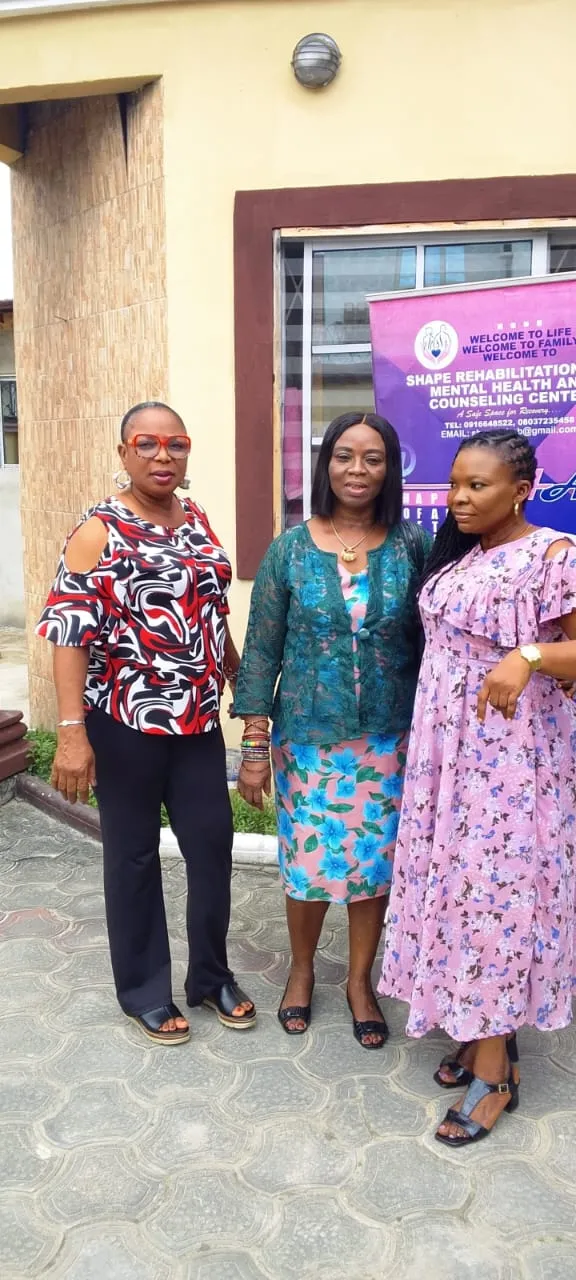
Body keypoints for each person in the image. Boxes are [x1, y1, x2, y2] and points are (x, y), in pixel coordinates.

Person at [378, 429, 576, 1146]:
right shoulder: (463, 554)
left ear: (521, 490)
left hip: (510, 766)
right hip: (447, 759)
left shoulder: (553, 555)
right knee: (458, 895)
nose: (459, 498)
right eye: (455, 484)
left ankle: (495, 1075)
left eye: (478, 485)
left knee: (493, 902)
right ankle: (484, 1032)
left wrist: (529, 654)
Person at [37, 401, 256, 1044]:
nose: (164, 456)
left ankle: (210, 977)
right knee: (132, 856)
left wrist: (237, 675)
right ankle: (143, 991)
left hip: (197, 723)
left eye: (176, 443)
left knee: (211, 845)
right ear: (123, 453)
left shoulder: (197, 517)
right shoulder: (98, 529)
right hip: (125, 721)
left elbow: (210, 610)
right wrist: (71, 732)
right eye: (147, 443)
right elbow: (69, 633)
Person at [234, 413, 431, 1047]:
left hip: (388, 740)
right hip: (308, 740)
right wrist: (254, 746)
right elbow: (261, 650)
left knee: (374, 865)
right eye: (344, 455)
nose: (357, 469)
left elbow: (436, 640)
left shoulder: (413, 545)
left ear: (390, 469)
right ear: (325, 465)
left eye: (373, 458)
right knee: (309, 863)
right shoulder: (290, 549)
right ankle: (300, 972)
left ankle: (359, 981)